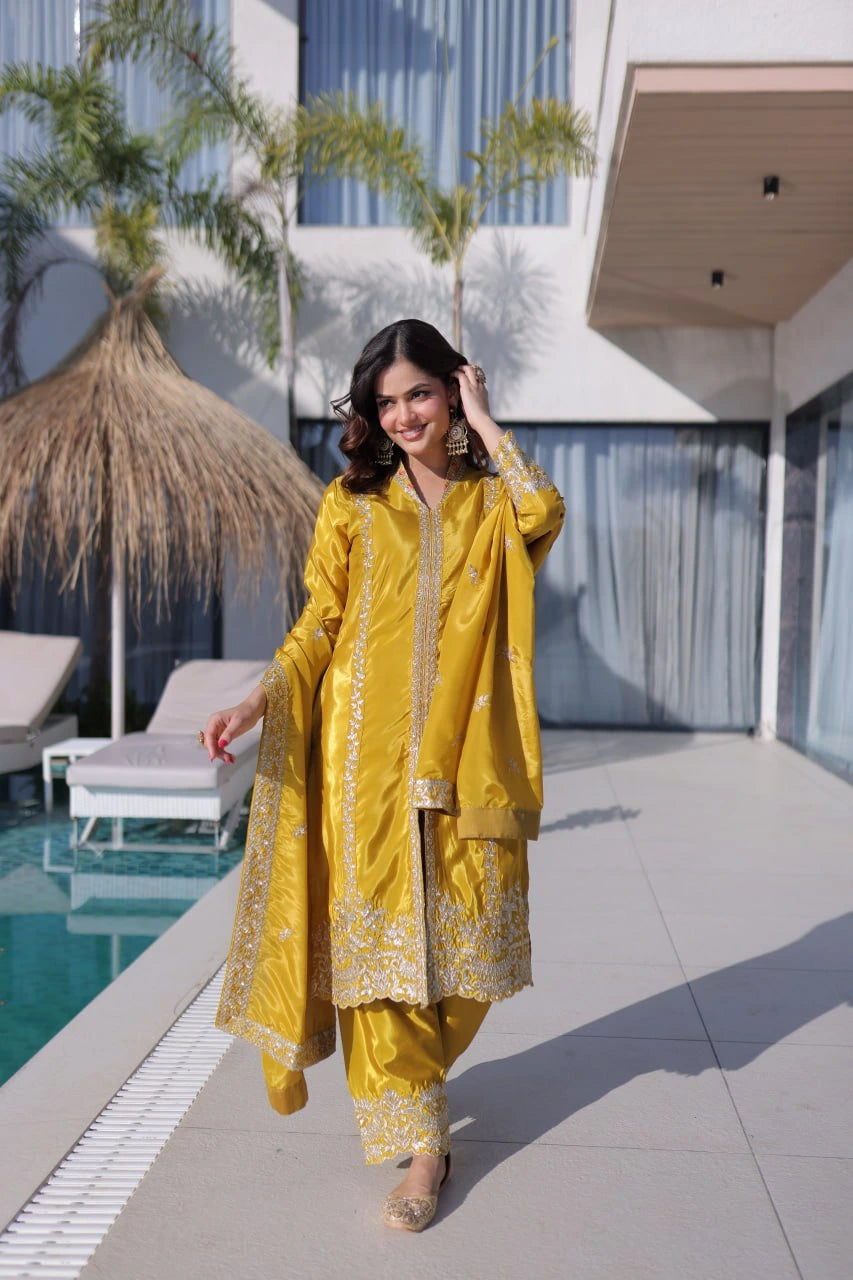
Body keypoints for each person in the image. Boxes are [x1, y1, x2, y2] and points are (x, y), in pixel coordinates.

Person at [204, 318, 565, 1231]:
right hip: (360, 763)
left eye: (420, 393)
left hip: (468, 761)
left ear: (451, 390)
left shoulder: (492, 501)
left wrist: (486, 424)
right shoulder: (351, 503)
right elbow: (318, 623)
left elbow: (543, 514)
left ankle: (423, 1091)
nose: (402, 414)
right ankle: (423, 1149)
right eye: (385, 400)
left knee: (473, 956)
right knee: (379, 968)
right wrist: (256, 700)